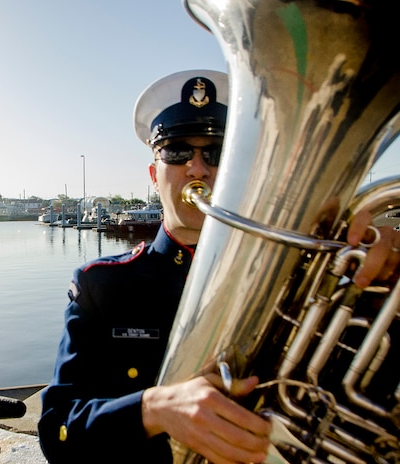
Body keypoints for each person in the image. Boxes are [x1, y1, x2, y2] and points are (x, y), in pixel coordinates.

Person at [38, 69, 400, 464]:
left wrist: (381, 287)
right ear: (153, 177)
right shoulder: (102, 285)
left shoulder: (302, 277)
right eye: (176, 151)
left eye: (216, 153)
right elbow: (58, 434)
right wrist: (153, 409)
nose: (197, 168)